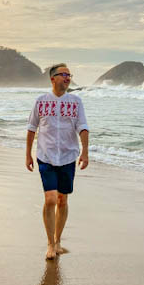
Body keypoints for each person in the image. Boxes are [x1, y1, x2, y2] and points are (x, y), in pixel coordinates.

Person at [26, 64, 89, 260]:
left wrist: (85, 152)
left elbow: (83, 127)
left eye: (69, 75)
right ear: (53, 78)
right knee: (50, 199)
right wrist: (28, 154)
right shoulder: (41, 101)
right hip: (46, 155)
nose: (67, 78)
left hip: (68, 157)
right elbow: (31, 128)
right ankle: (50, 244)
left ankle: (58, 239)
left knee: (62, 200)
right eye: (63, 74)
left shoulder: (76, 102)